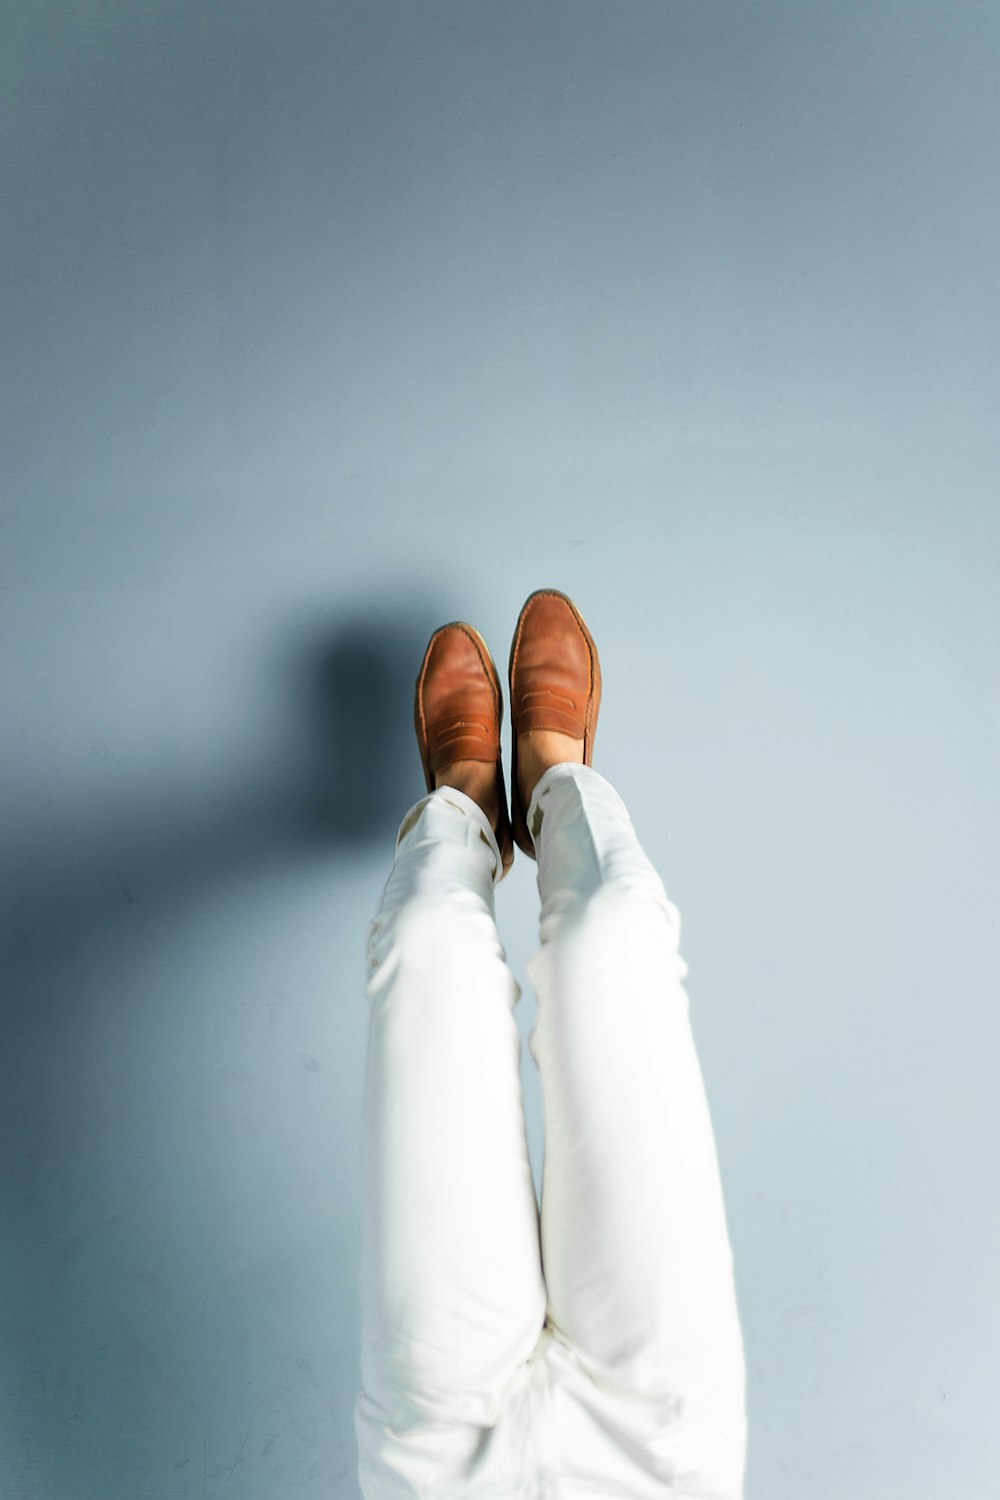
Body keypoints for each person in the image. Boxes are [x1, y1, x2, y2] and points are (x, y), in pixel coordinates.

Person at [354, 589, 747, 1499]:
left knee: (426, 949)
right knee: (611, 941)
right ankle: (554, 788)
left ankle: (464, 812)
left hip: (447, 1464)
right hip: (659, 1449)